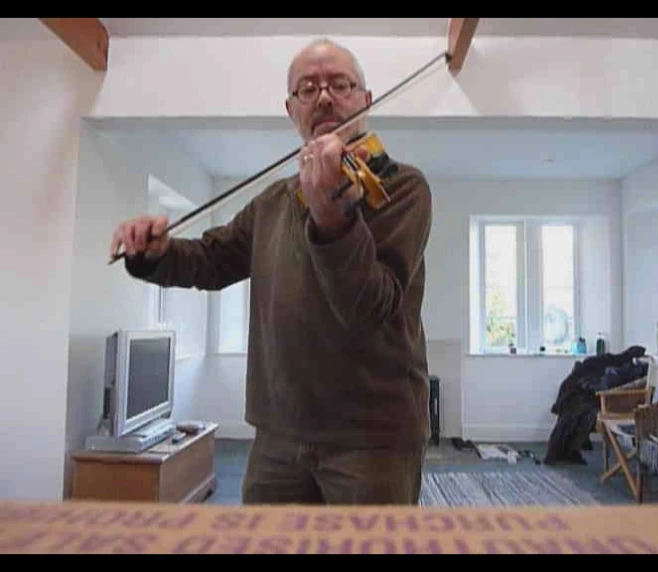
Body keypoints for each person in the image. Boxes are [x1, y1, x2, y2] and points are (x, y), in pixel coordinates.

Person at [110, 38, 433, 506]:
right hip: (278, 434)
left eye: (340, 84)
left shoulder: (401, 187)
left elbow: (368, 306)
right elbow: (211, 258)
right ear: (291, 109)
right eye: (308, 89)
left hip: (372, 437)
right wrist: (152, 251)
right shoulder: (274, 201)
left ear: (365, 99)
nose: (324, 97)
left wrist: (333, 216)